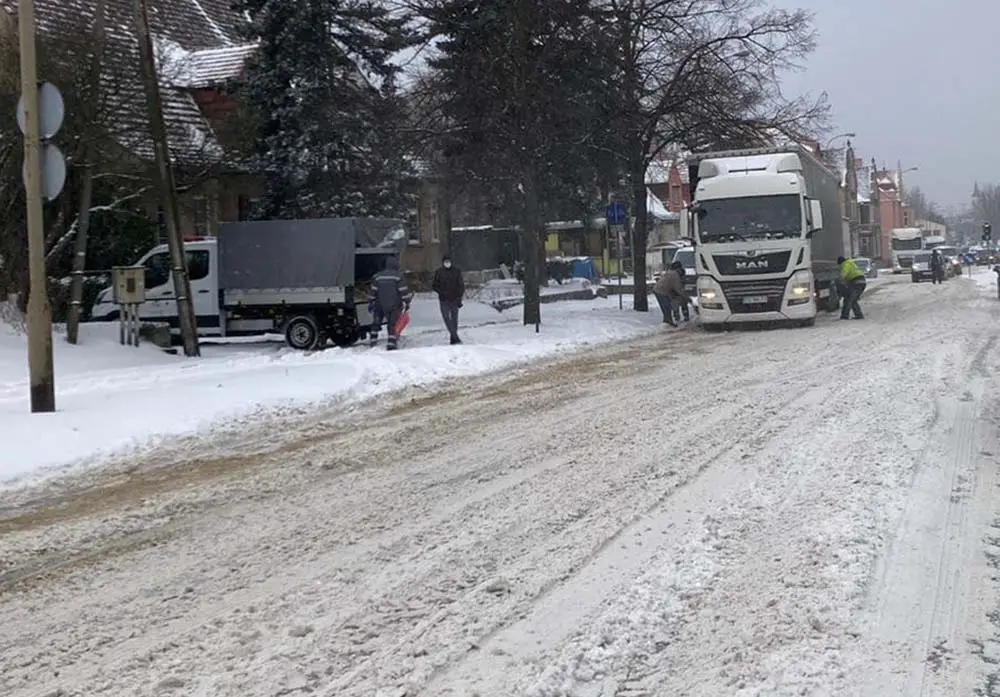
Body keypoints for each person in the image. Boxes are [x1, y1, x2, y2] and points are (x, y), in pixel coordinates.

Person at [368, 256, 413, 350]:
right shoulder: (398, 276)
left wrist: (371, 301)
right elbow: (403, 291)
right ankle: (391, 343)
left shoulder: (377, 276)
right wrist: (407, 302)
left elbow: (373, 291)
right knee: (392, 323)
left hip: (379, 304)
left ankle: (373, 340)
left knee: (376, 322)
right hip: (394, 304)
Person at [432, 255, 465, 345]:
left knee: (454, 319)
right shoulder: (439, 272)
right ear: (443, 263)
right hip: (444, 299)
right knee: (446, 318)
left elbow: (461, 285)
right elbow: (434, 285)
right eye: (445, 261)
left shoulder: (456, 271)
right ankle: (455, 337)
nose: (447, 263)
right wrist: (441, 292)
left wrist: (459, 297)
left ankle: (453, 338)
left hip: (454, 299)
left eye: (448, 261)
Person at [653, 262, 687, 326]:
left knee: (666, 306)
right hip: (661, 291)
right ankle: (668, 321)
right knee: (666, 306)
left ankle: (667, 320)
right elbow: (679, 289)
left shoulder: (671, 272)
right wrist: (685, 297)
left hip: (659, 289)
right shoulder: (675, 275)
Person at [837, 255, 866, 320]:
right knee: (853, 300)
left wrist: (840, 280)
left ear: (840, 262)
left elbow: (843, 274)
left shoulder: (845, 264)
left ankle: (845, 316)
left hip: (856, 283)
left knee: (849, 299)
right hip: (862, 282)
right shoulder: (850, 262)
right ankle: (859, 315)